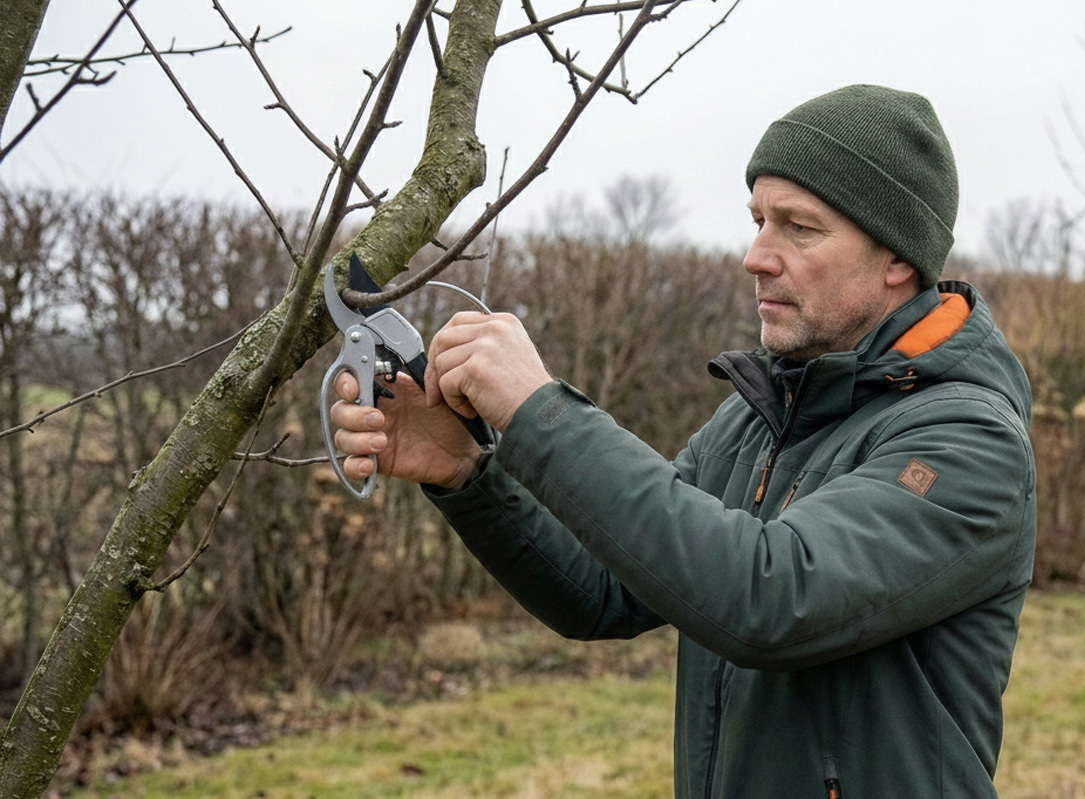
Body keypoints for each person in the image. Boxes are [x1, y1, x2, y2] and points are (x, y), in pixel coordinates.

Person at [330, 84, 1036, 799]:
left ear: (897, 259)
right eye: (758, 219)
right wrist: (464, 470)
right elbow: (604, 589)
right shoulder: (764, 414)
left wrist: (537, 409)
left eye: (799, 227)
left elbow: (767, 598)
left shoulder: (968, 442)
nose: (756, 255)